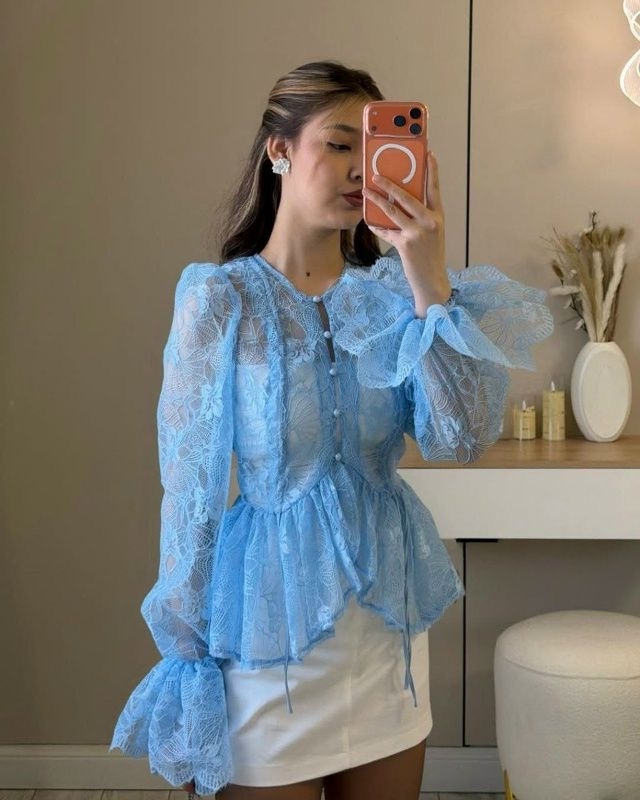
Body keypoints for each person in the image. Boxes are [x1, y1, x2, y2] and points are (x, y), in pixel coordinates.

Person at [109, 60, 553, 799]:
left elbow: (460, 437)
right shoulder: (221, 301)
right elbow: (188, 495)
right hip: (265, 647)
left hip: (385, 648)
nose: (358, 170)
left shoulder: (394, 297)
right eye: (340, 144)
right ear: (279, 150)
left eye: (373, 150)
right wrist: (188, 663)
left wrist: (428, 278)